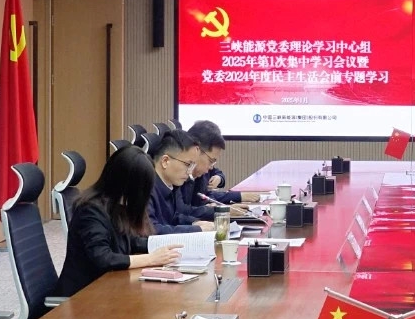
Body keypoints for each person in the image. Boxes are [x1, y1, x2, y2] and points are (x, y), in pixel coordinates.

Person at [55, 146, 183, 298]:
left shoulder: (116, 204)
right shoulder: (90, 210)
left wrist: (165, 245)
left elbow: (132, 240)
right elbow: (103, 258)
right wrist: (150, 259)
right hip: (83, 296)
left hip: (108, 287)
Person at [183, 120, 264, 210]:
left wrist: (234, 199)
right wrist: (218, 210)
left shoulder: (198, 174)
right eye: (210, 161)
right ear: (196, 151)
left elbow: (204, 197)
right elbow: (181, 214)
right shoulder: (179, 176)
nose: (210, 167)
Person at [148, 130, 213, 233]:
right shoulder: (145, 186)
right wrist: (196, 229)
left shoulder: (171, 184)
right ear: (165, 161)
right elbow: (150, 230)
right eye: (188, 164)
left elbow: (174, 217)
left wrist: (195, 223)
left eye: (192, 166)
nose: (190, 172)